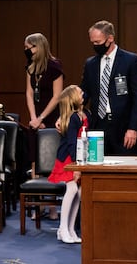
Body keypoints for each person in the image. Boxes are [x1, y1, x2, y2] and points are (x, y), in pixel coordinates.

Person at [80, 20, 137, 155]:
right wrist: (70, 112)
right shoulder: (90, 64)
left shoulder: (130, 61)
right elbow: (84, 92)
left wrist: (133, 128)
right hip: (98, 125)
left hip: (123, 127)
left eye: (97, 42)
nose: (95, 45)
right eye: (92, 42)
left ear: (110, 38)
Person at [24, 32, 64, 220]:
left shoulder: (55, 67)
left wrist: (41, 118)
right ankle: (38, 204)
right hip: (35, 119)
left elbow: (58, 96)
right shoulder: (31, 68)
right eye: (26, 48)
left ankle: (53, 206)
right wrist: (33, 118)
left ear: (39, 46)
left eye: (30, 47)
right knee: (35, 160)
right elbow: (29, 93)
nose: (28, 51)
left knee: (51, 161)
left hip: (51, 117)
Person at [48, 85, 87, 244]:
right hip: (68, 159)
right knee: (71, 189)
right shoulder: (72, 118)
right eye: (79, 91)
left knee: (78, 193)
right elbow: (71, 144)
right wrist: (76, 166)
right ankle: (62, 228)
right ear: (73, 98)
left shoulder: (82, 114)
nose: (82, 92)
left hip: (78, 158)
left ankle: (70, 229)